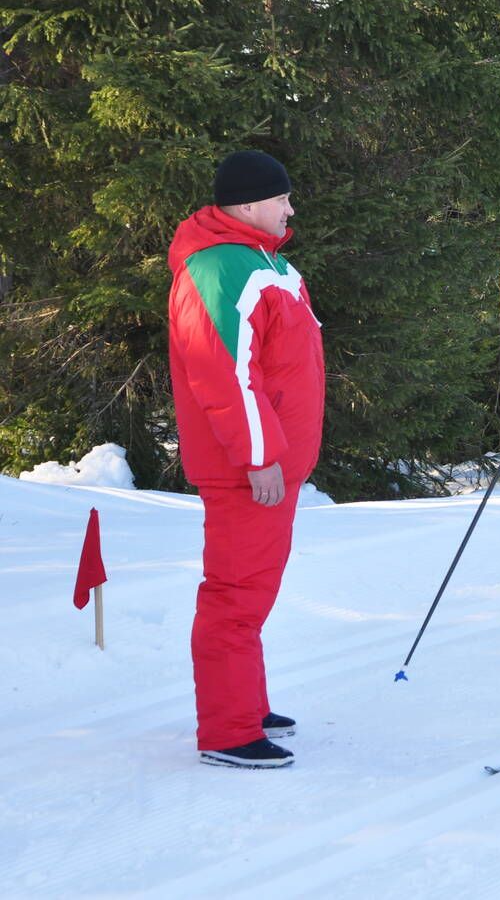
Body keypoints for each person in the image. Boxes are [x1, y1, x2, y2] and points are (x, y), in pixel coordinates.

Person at [168, 150, 324, 769]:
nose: (290, 209)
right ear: (252, 203)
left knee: (254, 590)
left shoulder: (269, 263)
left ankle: (247, 704)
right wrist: (260, 455)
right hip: (248, 469)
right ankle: (229, 731)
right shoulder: (218, 267)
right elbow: (226, 373)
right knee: (234, 593)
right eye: (282, 198)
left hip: (275, 468)